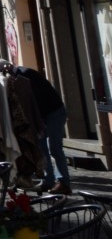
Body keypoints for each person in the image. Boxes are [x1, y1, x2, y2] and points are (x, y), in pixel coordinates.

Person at [15, 64, 71, 195]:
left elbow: (34, 101)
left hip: (54, 112)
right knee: (42, 148)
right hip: (42, 116)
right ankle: (48, 180)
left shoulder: (25, 75)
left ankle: (63, 182)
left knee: (54, 148)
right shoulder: (20, 75)